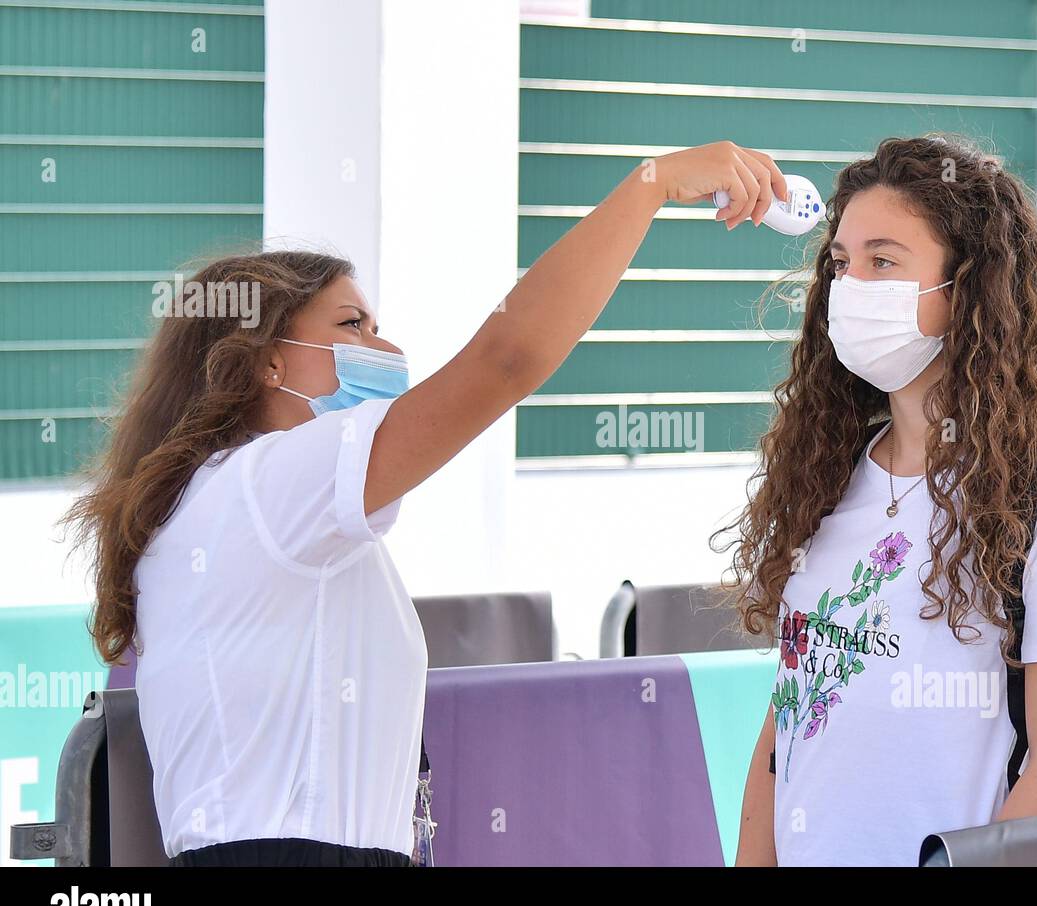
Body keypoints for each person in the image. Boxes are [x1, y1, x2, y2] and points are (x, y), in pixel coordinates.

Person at [63, 142, 789, 866]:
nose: (384, 347)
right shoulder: (265, 485)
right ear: (265, 361)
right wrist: (651, 186)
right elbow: (506, 361)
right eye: (352, 326)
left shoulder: (234, 503)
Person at [723, 135, 1037, 867]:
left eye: (884, 261)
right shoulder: (825, 475)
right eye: (841, 264)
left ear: (969, 290)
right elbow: (788, 724)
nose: (850, 287)